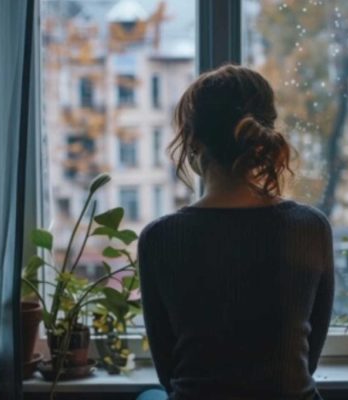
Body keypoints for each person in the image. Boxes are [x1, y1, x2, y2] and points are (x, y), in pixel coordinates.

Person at [137, 65, 334, 400]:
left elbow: (168, 372)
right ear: (263, 135)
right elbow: (307, 361)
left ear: (192, 141)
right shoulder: (310, 228)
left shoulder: (159, 238)